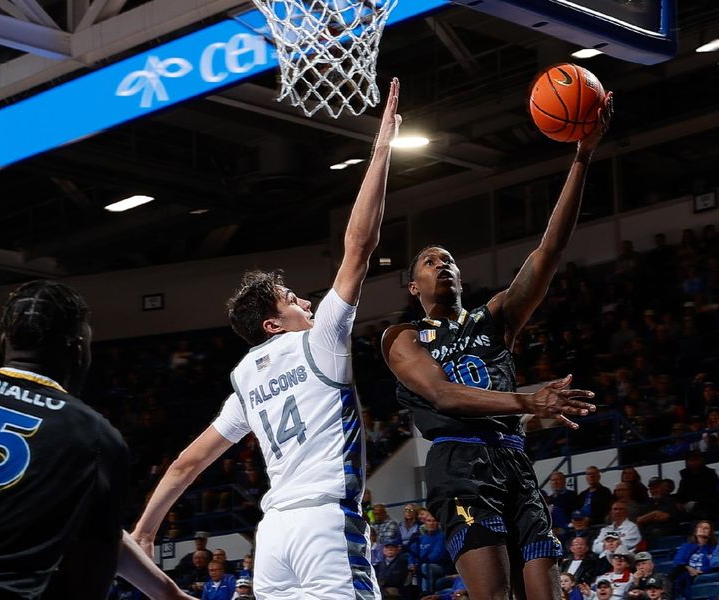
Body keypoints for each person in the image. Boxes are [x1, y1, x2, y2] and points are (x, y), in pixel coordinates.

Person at [132, 79, 403, 600]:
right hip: (325, 522)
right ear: (272, 325)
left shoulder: (244, 380)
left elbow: (186, 464)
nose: (306, 301)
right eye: (292, 299)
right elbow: (359, 245)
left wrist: (145, 529)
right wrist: (382, 147)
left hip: (274, 536)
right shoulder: (321, 339)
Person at [381, 93, 613, 600]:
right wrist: (532, 402)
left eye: (449, 259)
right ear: (413, 287)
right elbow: (443, 397)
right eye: (430, 261)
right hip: (459, 468)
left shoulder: (495, 318)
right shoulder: (402, 338)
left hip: (514, 463)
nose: (443, 264)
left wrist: (582, 157)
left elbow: (550, 249)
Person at [0, 280, 189, 600]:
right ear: (79, 351)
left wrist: (169, 593)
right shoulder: (95, 435)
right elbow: (93, 565)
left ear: (6, 340)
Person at [671, 520, 716, 598]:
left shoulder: (714, 549)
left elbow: (713, 565)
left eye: (706, 528)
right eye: (700, 527)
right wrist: (689, 568)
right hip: (685, 571)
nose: (702, 529)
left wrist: (700, 571)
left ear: (710, 533)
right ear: (696, 531)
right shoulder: (687, 546)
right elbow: (677, 561)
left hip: (701, 574)